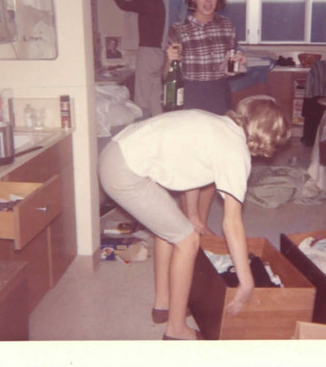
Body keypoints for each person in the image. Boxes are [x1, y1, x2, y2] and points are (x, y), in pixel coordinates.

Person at [98, 95, 290, 340]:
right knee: (186, 240)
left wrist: (192, 215)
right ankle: (176, 331)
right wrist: (246, 280)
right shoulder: (235, 151)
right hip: (125, 171)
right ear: (265, 138)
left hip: (117, 151)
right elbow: (232, 222)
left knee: (170, 227)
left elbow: (189, 165)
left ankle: (163, 305)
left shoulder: (218, 124)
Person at [165, 0, 247, 235]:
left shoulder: (227, 26)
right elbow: (167, 77)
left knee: (215, 162)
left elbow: (230, 70)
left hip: (219, 94)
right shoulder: (179, 29)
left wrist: (238, 66)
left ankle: (199, 220)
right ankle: (191, 218)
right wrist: (170, 60)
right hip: (192, 95)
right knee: (193, 160)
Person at [106, 0, 165, 116]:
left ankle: (143, 131)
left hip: (148, 53)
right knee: (154, 98)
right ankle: (159, 131)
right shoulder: (156, 2)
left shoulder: (149, 3)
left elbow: (125, 5)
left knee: (142, 99)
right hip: (156, 54)